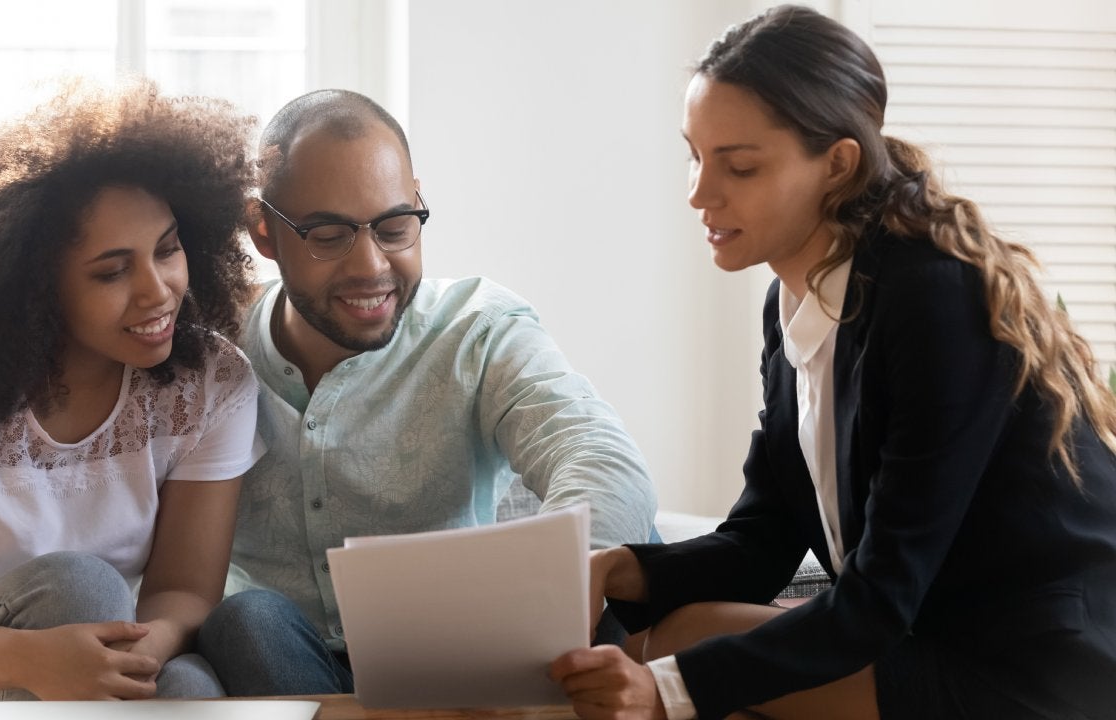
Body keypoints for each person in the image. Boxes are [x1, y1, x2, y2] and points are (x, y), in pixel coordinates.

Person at [550, 5, 1116, 720]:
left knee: (667, 677)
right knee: (662, 644)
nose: (699, 193)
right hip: (920, 635)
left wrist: (668, 693)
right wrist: (621, 568)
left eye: (740, 165)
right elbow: (762, 540)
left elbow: (881, 595)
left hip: (1028, 670)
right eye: (694, 155)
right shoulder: (790, 304)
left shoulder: (933, 300)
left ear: (838, 164)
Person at [197, 89, 658, 696]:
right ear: (263, 230)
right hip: (281, 659)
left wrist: (557, 586)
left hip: (459, 657)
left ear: (418, 202)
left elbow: (600, 456)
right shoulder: (206, 352)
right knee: (247, 618)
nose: (371, 266)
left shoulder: (478, 328)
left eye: (395, 228)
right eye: (329, 235)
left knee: (636, 547)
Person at [0, 78, 264, 710]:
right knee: (80, 587)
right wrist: (36, 660)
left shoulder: (210, 383)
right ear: (32, 288)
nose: (158, 290)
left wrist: (137, 654)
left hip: (96, 650)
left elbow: (182, 593)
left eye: (168, 249)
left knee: (190, 688)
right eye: (113, 270)